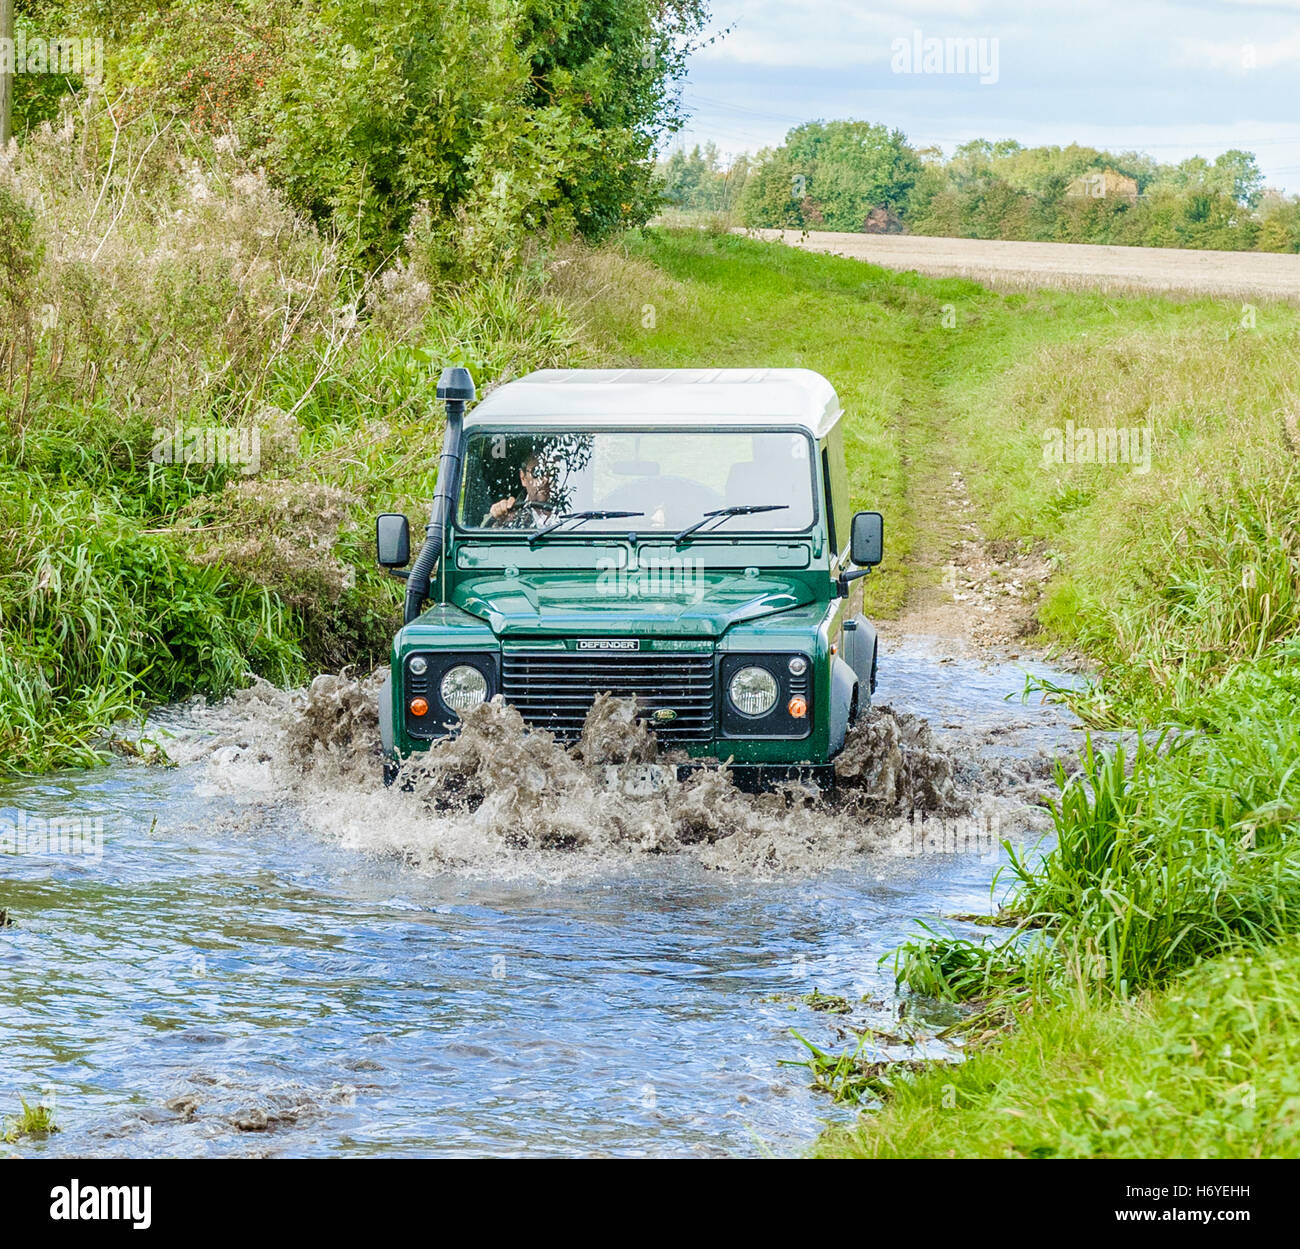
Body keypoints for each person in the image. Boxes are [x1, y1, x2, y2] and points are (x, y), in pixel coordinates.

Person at [482, 452, 558, 529]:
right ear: (523, 478)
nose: (545, 480)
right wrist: (499, 521)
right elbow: (481, 536)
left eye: (551, 472)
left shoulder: (568, 514)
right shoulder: (511, 513)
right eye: (537, 472)